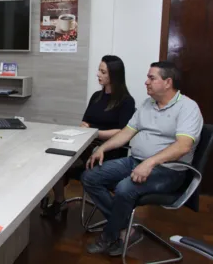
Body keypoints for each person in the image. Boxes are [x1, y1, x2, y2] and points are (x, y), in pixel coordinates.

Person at [81, 61, 203, 256]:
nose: (146, 82)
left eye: (151, 78)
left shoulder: (188, 108)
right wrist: (102, 147)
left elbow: (183, 146)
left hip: (169, 170)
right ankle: (125, 230)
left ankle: (109, 236)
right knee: (90, 177)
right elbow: (127, 132)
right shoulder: (148, 104)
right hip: (136, 161)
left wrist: (150, 162)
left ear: (167, 82)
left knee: (124, 188)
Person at [42, 55, 135, 217]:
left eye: (103, 72)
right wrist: (86, 130)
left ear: (114, 75)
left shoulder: (126, 101)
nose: (98, 74)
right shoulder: (96, 97)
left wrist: (94, 133)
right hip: (87, 145)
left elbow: (123, 131)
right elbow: (84, 123)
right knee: (55, 160)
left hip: (110, 151)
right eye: (98, 70)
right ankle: (59, 201)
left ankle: (116, 216)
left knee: (69, 164)